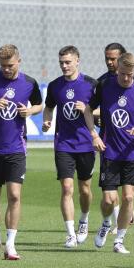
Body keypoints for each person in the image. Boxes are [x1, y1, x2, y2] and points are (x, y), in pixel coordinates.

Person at [0, 44, 42, 260]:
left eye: (10, 65)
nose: (6, 69)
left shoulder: (29, 83)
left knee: (14, 195)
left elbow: (40, 105)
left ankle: (10, 245)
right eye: (3, 66)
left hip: (16, 149)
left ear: (19, 61)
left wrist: (30, 111)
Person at [86, 52, 134, 254]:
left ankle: (119, 240)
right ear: (117, 68)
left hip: (132, 152)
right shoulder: (105, 87)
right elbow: (87, 110)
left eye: (130, 74)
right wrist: (94, 135)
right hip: (110, 152)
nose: (126, 78)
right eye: (123, 73)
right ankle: (106, 222)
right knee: (109, 200)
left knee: (128, 198)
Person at [42, 46, 98, 248]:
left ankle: (84, 219)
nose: (64, 66)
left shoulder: (91, 84)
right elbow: (48, 107)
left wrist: (89, 109)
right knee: (67, 188)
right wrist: (47, 121)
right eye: (61, 63)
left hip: (85, 144)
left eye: (67, 62)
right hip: (63, 144)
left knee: (85, 189)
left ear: (77, 61)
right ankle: (70, 233)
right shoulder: (55, 86)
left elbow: (103, 110)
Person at [95, 43, 134, 232]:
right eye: (107, 58)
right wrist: (100, 117)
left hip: (132, 140)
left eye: (114, 58)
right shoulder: (102, 83)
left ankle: (126, 210)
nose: (110, 62)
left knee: (129, 193)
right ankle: (113, 218)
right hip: (108, 141)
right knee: (110, 194)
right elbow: (91, 109)